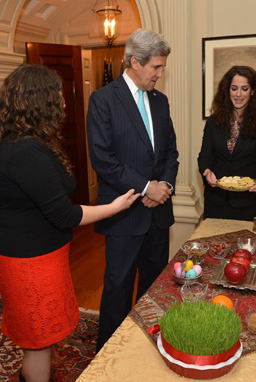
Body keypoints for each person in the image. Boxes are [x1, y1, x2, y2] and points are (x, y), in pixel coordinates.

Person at [0, 64, 139, 382]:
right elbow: (65, 215)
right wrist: (113, 207)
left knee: (40, 336)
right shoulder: (25, 151)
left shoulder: (24, 142)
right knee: (39, 340)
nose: (64, 103)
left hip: (36, 254)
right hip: (28, 262)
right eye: (58, 97)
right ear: (40, 103)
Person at [86, 28, 179, 352]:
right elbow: (103, 159)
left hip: (158, 215)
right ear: (135, 62)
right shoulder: (103, 100)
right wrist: (145, 188)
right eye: (156, 67)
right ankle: (109, 355)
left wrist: (164, 186)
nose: (160, 73)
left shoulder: (160, 101)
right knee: (118, 289)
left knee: (155, 289)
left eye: (162, 67)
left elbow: (170, 153)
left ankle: (146, 350)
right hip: (124, 215)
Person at [198, 65, 256, 221]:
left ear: (253, 91)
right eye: (234, 88)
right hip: (215, 200)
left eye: (245, 89)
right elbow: (205, 155)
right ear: (227, 90)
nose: (238, 94)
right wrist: (206, 170)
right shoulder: (213, 122)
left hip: (247, 202)